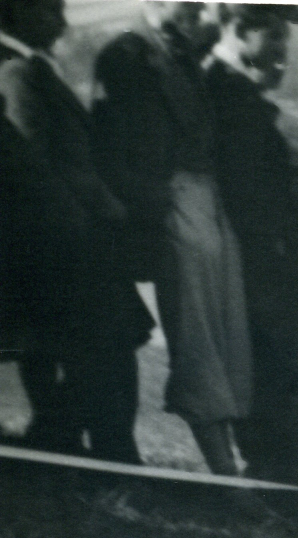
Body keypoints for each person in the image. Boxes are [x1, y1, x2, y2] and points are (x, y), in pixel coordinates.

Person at [93, 0, 252, 475]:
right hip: (172, 202)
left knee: (228, 333)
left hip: (208, 198)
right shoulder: (125, 55)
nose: (201, 8)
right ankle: (224, 470)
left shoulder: (181, 51)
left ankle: (235, 463)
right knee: (197, 336)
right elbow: (111, 142)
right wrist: (152, 203)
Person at [206, 3, 298, 492]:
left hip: (271, 247)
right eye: (274, 36)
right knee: (293, 367)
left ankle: (297, 481)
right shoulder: (224, 89)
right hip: (264, 250)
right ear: (239, 28)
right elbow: (245, 178)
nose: (283, 49)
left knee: (286, 368)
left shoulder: (239, 90)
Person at [1, 0, 152, 464]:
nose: (62, 23)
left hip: (65, 237)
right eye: (49, 11)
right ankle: (94, 448)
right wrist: (94, 220)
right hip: (57, 243)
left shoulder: (28, 68)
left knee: (104, 342)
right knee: (111, 340)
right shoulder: (18, 73)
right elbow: (36, 167)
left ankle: (70, 442)